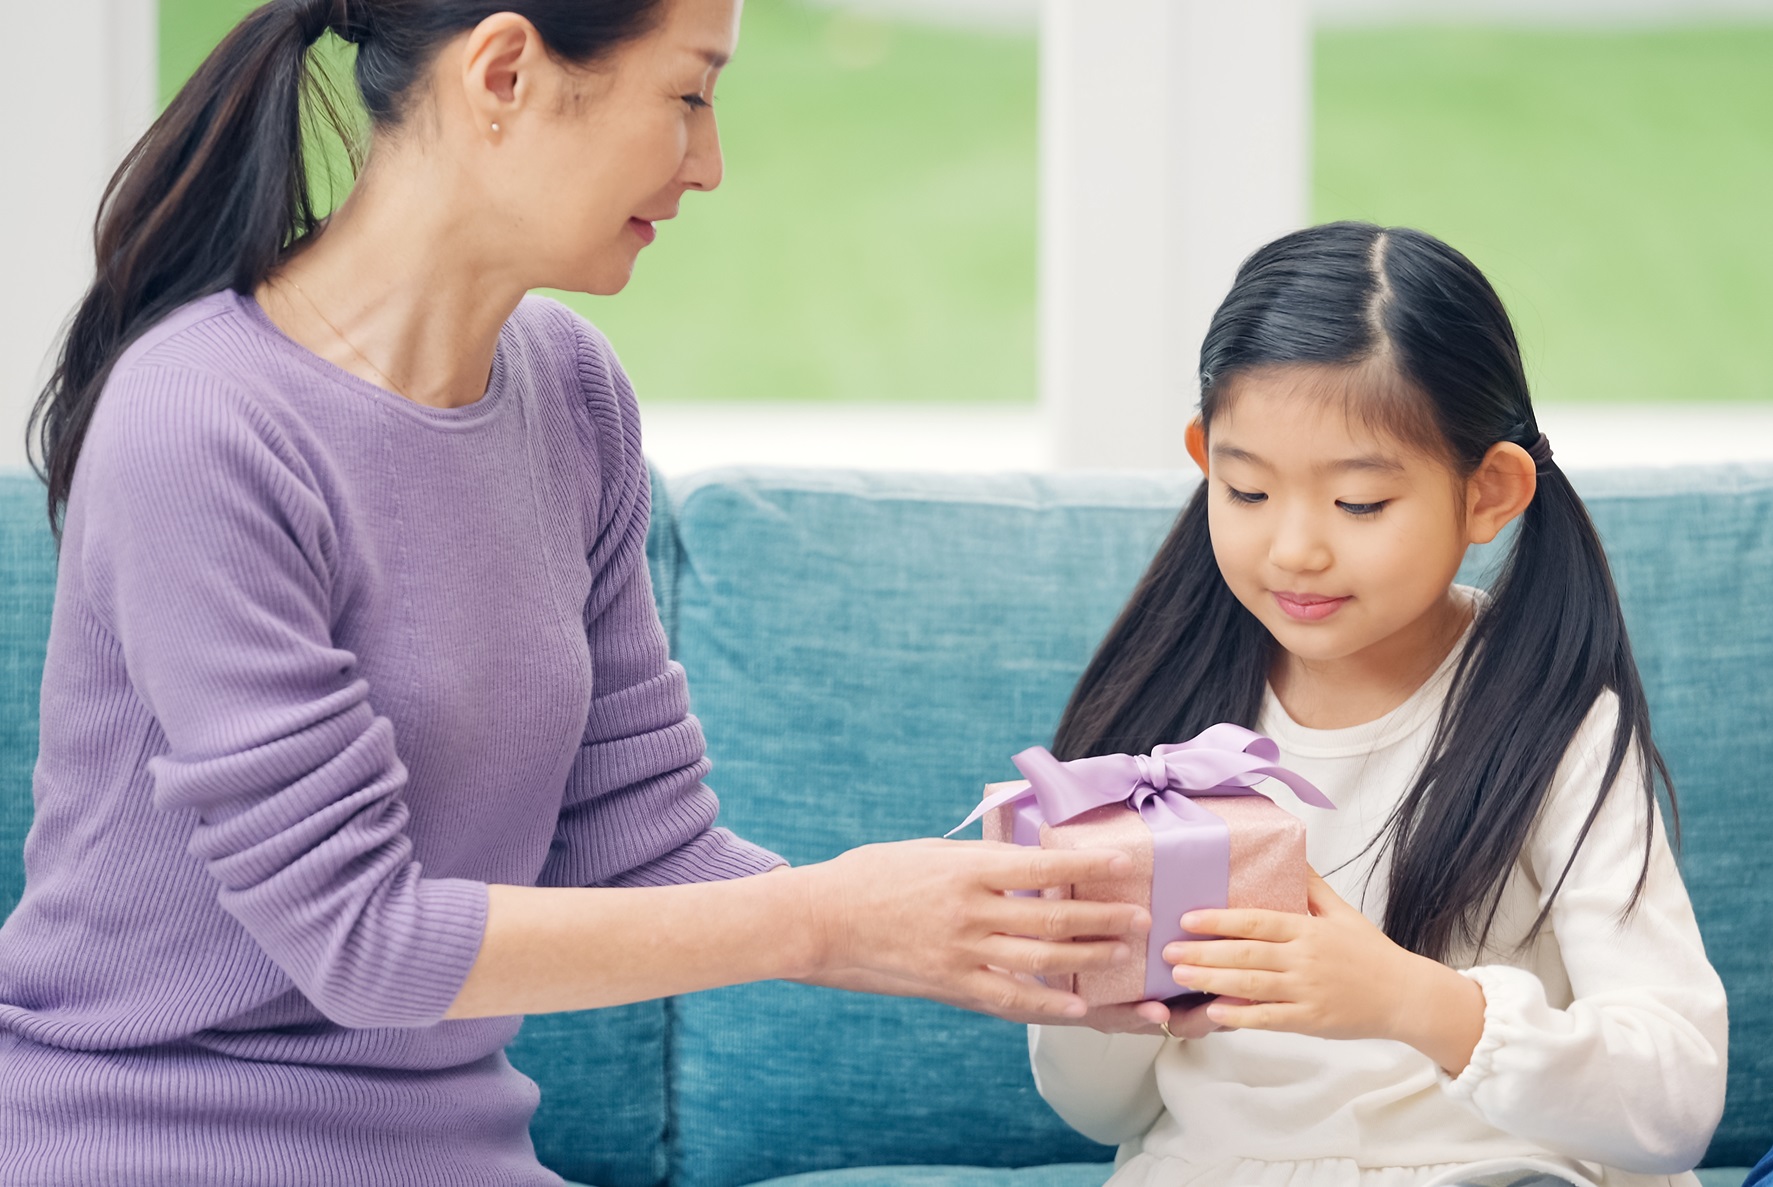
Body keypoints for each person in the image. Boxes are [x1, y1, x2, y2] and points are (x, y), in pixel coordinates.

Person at [0, 1, 1151, 1182]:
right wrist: (829, 915)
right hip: (148, 1141)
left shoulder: (570, 392)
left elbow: (643, 845)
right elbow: (359, 939)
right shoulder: (201, 423)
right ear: (504, 72)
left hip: (450, 1151)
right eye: (691, 94)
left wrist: (993, 926)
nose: (709, 165)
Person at [1026, 222, 1727, 1187]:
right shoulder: (1161, 716)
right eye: (1246, 489)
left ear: (1487, 492)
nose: (1295, 549)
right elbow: (1099, 1109)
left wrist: (1410, 1000)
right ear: (1204, 459)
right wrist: (1097, 999)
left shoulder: (1549, 721)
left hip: (1488, 1169)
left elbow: (1673, 1104)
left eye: (1359, 504)